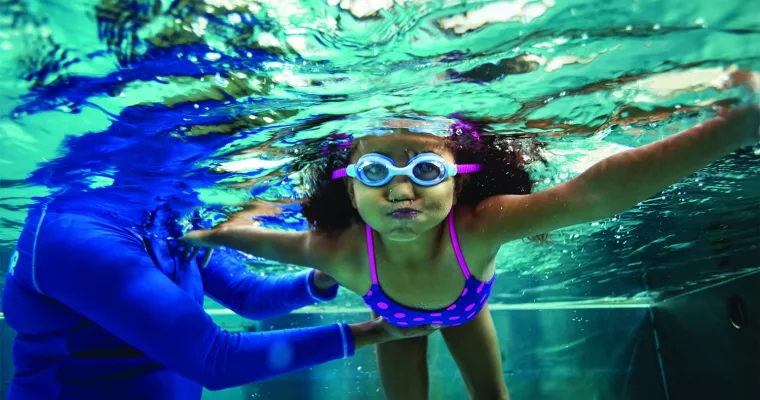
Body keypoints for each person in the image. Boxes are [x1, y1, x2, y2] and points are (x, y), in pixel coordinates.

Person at [182, 88, 759, 400]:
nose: (402, 190)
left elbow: (596, 192)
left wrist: (734, 123)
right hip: (393, 323)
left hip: (465, 311)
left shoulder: (478, 226)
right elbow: (262, 243)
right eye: (377, 172)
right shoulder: (340, 250)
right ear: (349, 190)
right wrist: (206, 234)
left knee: (492, 397)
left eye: (427, 171)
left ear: (459, 177)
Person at [2, 197, 437, 399]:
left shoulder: (169, 219)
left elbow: (248, 295)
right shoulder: (74, 231)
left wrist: (328, 275)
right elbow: (216, 360)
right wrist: (375, 332)